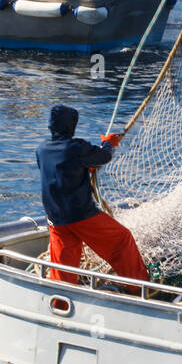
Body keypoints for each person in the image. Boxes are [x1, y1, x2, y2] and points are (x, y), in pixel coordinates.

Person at [36, 104, 148, 288]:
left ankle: (60, 301)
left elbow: (60, 170)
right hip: (81, 216)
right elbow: (103, 157)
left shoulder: (42, 150)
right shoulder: (76, 147)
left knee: (63, 266)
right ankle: (139, 287)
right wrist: (109, 143)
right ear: (70, 126)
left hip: (55, 218)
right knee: (122, 240)